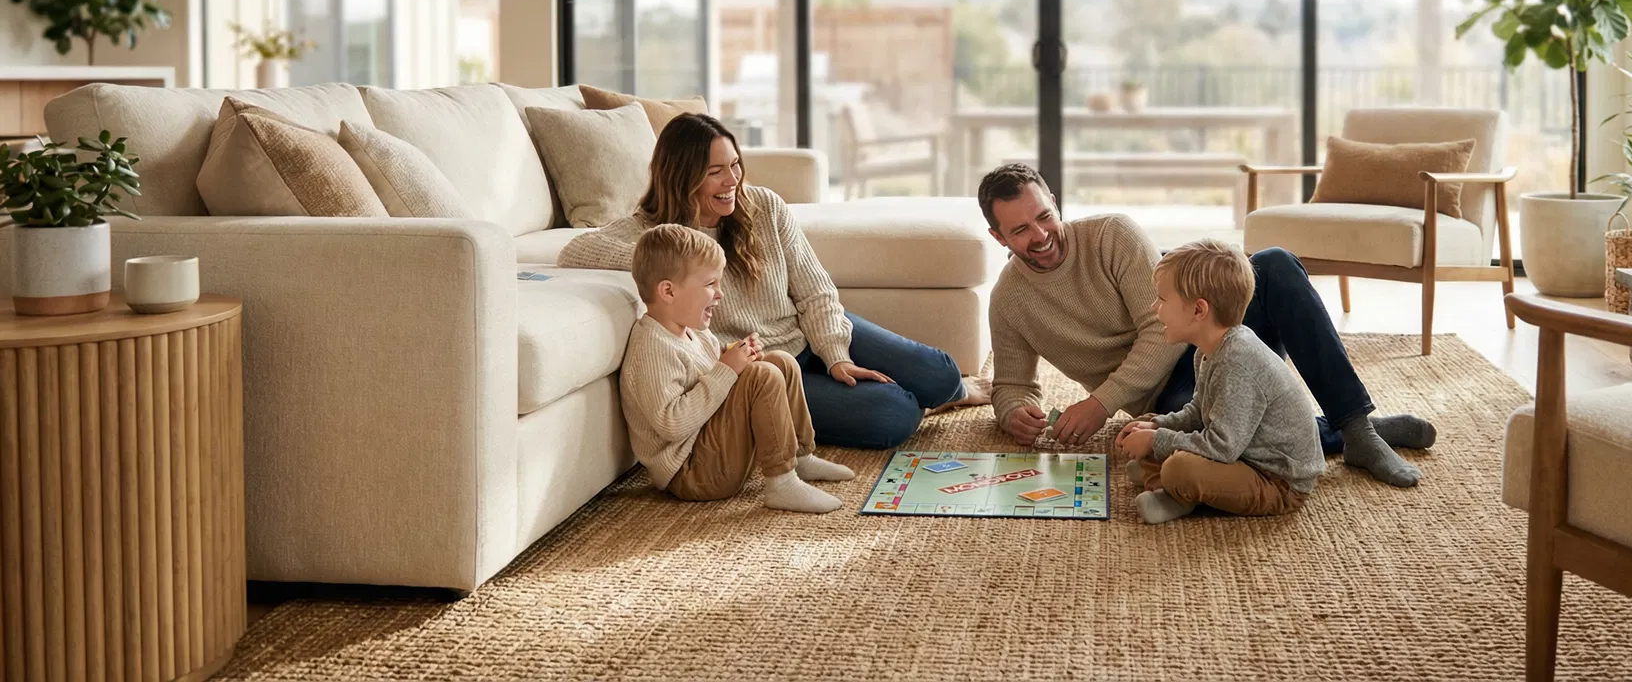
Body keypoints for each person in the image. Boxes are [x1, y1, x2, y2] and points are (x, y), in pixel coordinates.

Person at [979, 163, 1435, 487]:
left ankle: (1357, 427)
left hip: (1206, 335)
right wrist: (1015, 412)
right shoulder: (1009, 301)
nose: (1040, 236)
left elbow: (1160, 329)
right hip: (1170, 395)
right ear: (999, 237)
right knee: (1219, 439)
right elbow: (1011, 384)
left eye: (1043, 216)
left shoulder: (1111, 234)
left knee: (1274, 266)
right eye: (1020, 231)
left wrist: (1101, 403)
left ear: (1055, 203)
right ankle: (1343, 435)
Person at [562, 112, 979, 449]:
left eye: (735, 165)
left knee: (942, 374)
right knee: (894, 416)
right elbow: (574, 251)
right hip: (763, 369)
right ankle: (920, 404)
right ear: (681, 177)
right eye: (715, 172)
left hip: (807, 333)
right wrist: (669, 256)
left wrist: (836, 355)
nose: (732, 181)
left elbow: (814, 289)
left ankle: (940, 393)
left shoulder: (764, 206)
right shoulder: (653, 235)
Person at [619, 223, 850, 513]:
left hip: (710, 448)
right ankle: (782, 483)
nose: (720, 293)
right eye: (710, 284)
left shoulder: (695, 331)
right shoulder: (653, 347)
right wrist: (728, 370)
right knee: (760, 375)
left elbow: (707, 374)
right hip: (691, 472)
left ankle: (799, 457)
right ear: (668, 291)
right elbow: (672, 424)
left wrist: (736, 357)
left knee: (780, 361)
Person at [1115, 239, 1324, 524]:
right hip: (1244, 453)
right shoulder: (1207, 350)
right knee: (1152, 420)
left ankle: (1173, 490)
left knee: (1179, 468)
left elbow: (1222, 447)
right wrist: (1156, 427)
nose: (1154, 308)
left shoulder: (1236, 362)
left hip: (1277, 481)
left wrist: (1156, 443)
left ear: (1199, 310)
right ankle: (1165, 477)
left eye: (1162, 299)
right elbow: (1198, 412)